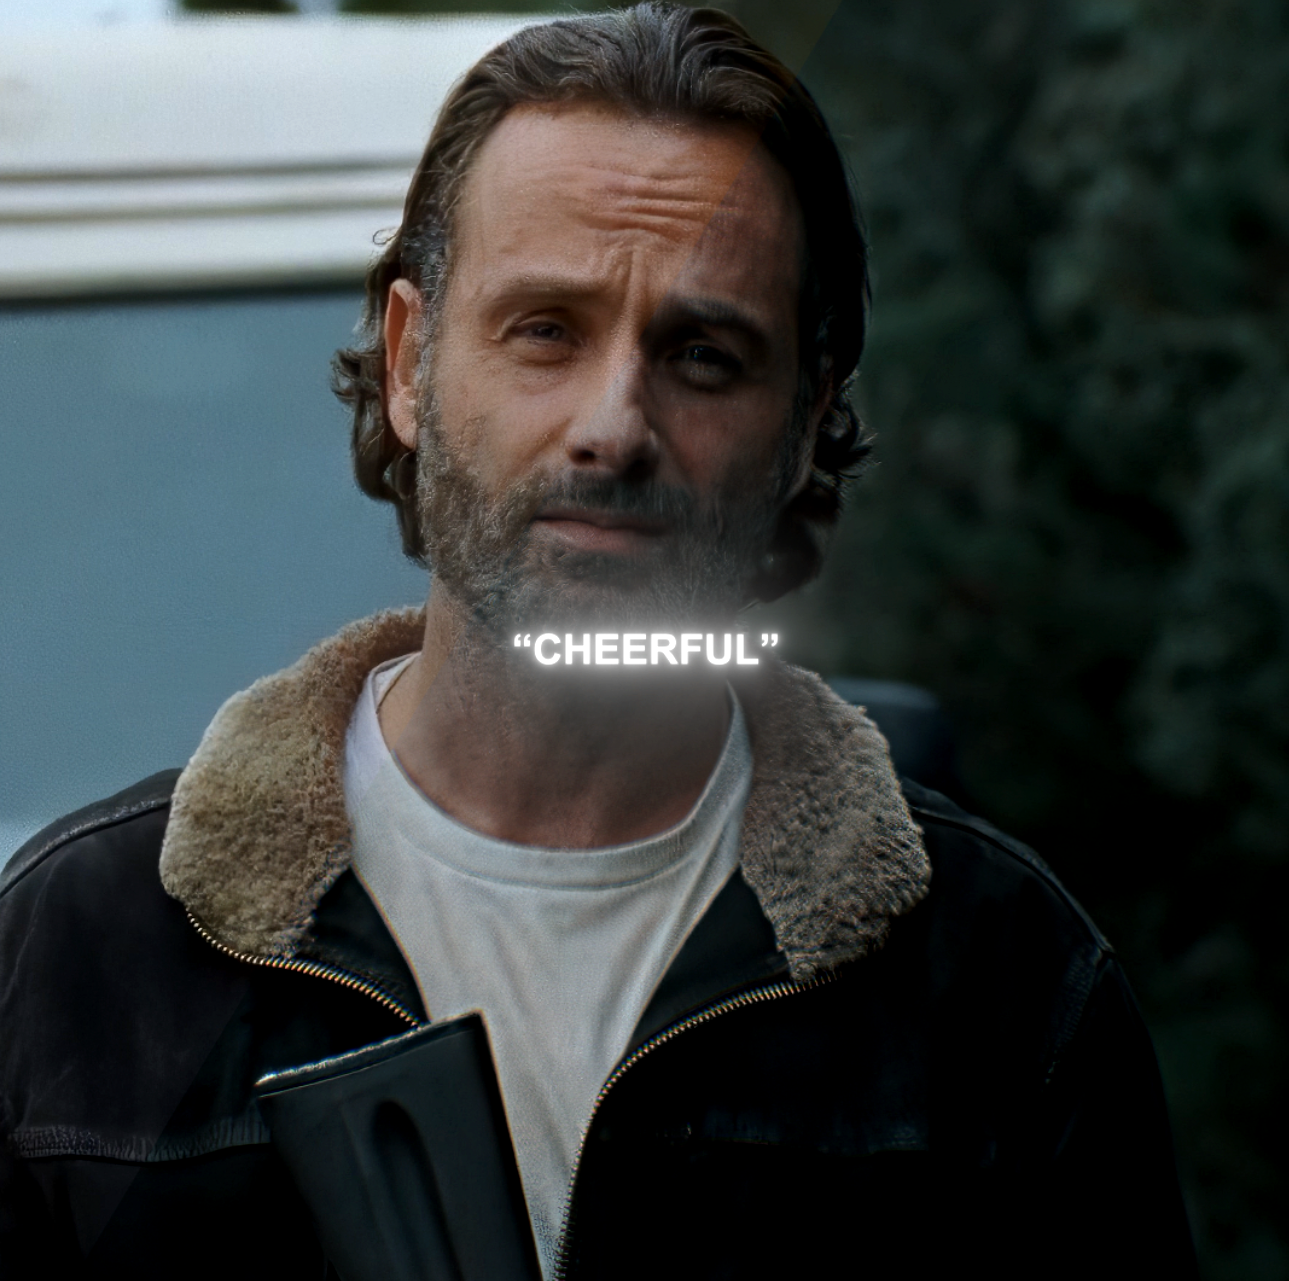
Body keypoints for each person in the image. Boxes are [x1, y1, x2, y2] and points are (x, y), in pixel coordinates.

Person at [0, 5, 1196, 1277]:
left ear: (805, 423)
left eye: (702, 355)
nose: (613, 426)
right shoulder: (81, 959)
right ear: (408, 364)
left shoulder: (1004, 988)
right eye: (545, 332)